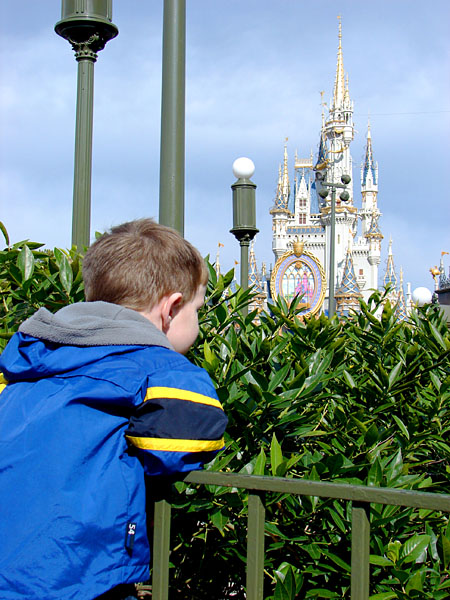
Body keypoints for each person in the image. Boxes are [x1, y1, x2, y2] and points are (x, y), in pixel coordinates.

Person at [0, 219, 228, 600]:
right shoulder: (159, 367)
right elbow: (184, 443)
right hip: (78, 574)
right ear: (171, 308)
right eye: (197, 310)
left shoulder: (32, 357)